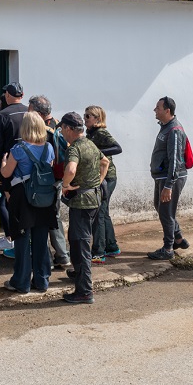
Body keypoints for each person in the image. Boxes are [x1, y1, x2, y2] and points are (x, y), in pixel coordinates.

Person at [0, 111, 56, 293]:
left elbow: (6, 174)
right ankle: (42, 280)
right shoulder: (48, 147)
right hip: (44, 198)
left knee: (22, 241)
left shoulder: (18, 149)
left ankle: (21, 282)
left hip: (23, 199)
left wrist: (2, 164)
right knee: (41, 239)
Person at [59, 111, 109, 304]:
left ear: (69, 129)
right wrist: (97, 181)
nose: (62, 132)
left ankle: (84, 291)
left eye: (63, 128)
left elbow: (71, 169)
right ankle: (81, 279)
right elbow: (104, 162)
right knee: (81, 241)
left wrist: (65, 186)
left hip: (81, 202)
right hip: (94, 199)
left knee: (80, 245)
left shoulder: (75, 148)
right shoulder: (90, 143)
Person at [30, 94, 70, 269]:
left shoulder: (42, 131)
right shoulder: (58, 124)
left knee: (41, 220)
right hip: (58, 179)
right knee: (54, 217)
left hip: (45, 181)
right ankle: (62, 255)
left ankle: (46, 258)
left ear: (38, 113)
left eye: (30, 110)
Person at [147, 96, 189, 260]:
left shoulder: (174, 130)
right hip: (162, 177)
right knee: (160, 207)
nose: (154, 110)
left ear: (167, 110)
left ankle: (168, 248)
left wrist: (169, 185)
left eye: (157, 108)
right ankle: (177, 238)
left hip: (169, 178)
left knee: (165, 212)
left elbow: (176, 160)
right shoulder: (165, 127)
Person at [0, 82, 28, 252]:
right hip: (28, 164)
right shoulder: (30, 112)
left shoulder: (2, 115)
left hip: (9, 165)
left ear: (8, 96)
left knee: (8, 201)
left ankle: (13, 239)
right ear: (22, 94)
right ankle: (23, 239)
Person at [85, 105, 122, 263]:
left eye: (88, 116)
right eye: (85, 115)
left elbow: (117, 148)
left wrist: (98, 153)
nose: (85, 119)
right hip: (102, 176)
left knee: (99, 212)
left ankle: (98, 252)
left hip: (107, 177)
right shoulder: (91, 133)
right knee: (103, 212)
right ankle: (112, 247)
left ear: (97, 119)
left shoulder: (101, 132)